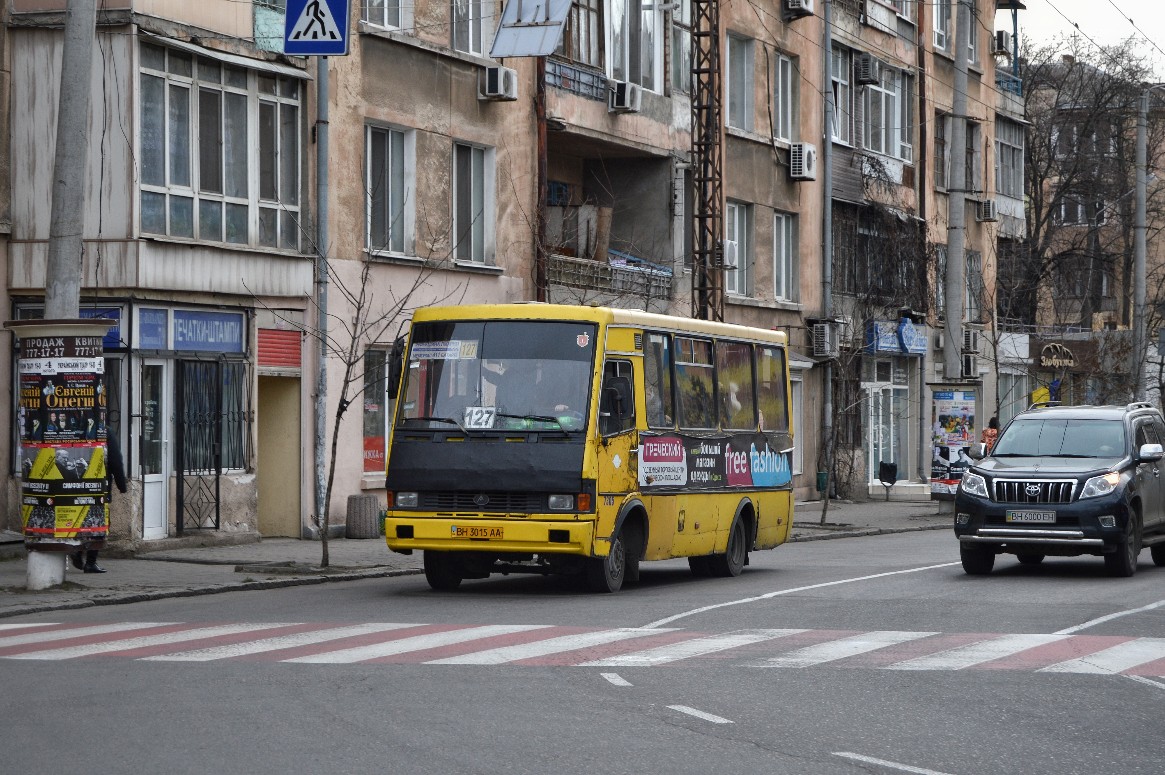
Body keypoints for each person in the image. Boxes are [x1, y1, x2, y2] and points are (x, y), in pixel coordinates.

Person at [72, 434, 126, 574]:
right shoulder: (105, 432)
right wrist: (122, 485)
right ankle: (90, 562)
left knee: (79, 519)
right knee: (97, 523)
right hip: (98, 487)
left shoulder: (76, 431)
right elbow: (115, 462)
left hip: (74, 486)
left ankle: (77, 550)